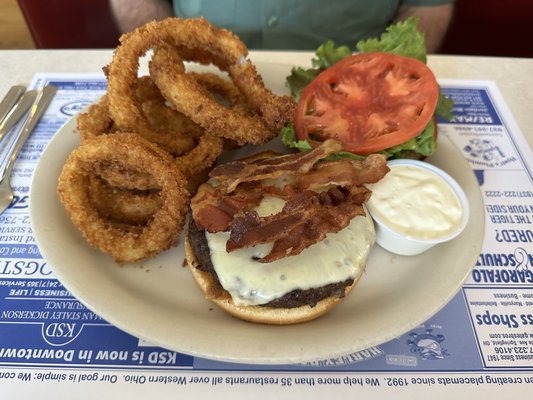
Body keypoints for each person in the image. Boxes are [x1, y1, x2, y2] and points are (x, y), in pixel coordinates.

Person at [110, 0, 454, 53]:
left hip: (353, 74)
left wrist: (387, 77)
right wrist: (170, 65)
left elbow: (427, 6)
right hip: (196, 67)